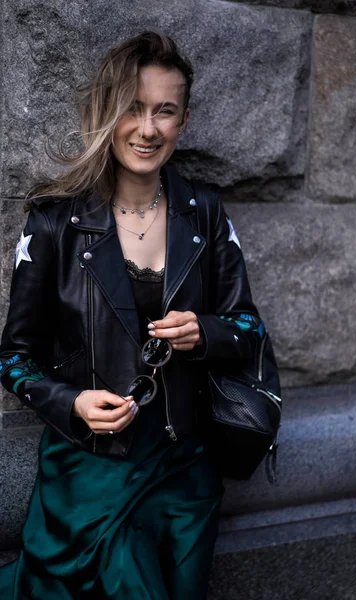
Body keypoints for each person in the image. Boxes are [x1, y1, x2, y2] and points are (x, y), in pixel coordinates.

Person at [0, 31, 262, 599]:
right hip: (91, 472)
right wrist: (70, 402)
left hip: (185, 474)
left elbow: (249, 329)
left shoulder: (206, 214)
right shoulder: (53, 224)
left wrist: (206, 332)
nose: (147, 129)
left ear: (183, 120)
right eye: (133, 109)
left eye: (164, 111)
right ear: (109, 112)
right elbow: (13, 358)